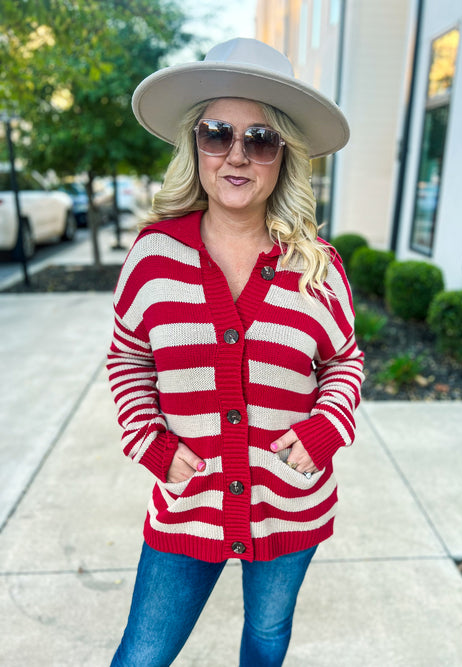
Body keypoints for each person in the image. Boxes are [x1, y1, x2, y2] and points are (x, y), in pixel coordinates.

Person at [107, 37, 364, 667]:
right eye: (218, 133)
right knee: (142, 655)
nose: (237, 155)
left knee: (268, 637)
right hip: (188, 505)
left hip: (288, 502)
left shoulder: (316, 267)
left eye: (262, 138)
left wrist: (326, 428)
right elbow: (127, 359)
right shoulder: (154, 257)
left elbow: (344, 362)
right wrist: (154, 446)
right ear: (195, 146)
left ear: (284, 158)